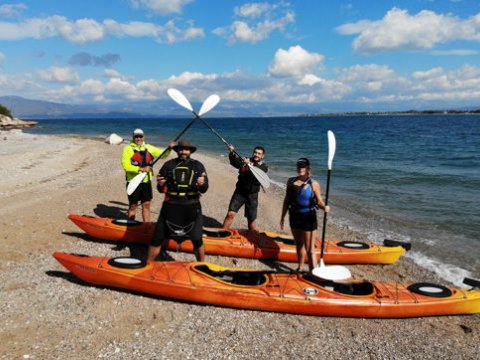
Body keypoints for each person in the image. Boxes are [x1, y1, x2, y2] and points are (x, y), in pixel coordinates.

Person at [148, 139, 208, 262]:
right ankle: (148, 264)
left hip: (192, 206)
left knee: (197, 239)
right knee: (157, 238)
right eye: (181, 149)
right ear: (177, 151)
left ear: (190, 151)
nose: (183, 152)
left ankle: (202, 265)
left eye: (186, 149)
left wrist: (202, 183)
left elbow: (205, 189)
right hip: (171, 205)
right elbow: (160, 189)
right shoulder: (168, 165)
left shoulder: (198, 165)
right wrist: (160, 184)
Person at [280, 158, 330, 273]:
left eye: (303, 166)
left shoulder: (314, 184)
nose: (300, 168)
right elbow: (287, 200)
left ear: (308, 169)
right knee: (298, 244)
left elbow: (319, 201)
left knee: (310, 249)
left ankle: (315, 273)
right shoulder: (290, 181)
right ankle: (301, 267)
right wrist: (282, 216)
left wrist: (324, 207)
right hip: (294, 216)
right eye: (299, 166)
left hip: (308, 217)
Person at [121, 128, 175, 223]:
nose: (138, 139)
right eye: (136, 136)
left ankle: (146, 226)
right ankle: (130, 226)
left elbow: (162, 155)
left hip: (146, 182)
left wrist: (169, 148)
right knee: (133, 205)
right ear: (133, 137)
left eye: (140, 136)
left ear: (143, 137)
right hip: (134, 181)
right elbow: (125, 165)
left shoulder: (149, 147)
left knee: (146, 204)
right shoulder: (128, 149)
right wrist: (140, 169)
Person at [222, 145, 268, 232]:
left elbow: (257, 174)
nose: (256, 155)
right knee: (230, 214)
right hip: (240, 192)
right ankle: (223, 232)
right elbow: (234, 163)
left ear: (262, 156)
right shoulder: (245, 160)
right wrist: (232, 152)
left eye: (259, 154)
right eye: (255, 152)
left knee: (251, 220)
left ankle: (253, 238)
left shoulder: (264, 166)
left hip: (252, 195)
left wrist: (250, 164)